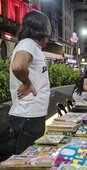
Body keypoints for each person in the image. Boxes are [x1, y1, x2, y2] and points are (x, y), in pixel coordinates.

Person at [9, 11, 52, 154]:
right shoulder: (27, 43)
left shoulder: (32, 46)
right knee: (25, 164)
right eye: (48, 27)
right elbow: (18, 66)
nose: (50, 33)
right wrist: (27, 83)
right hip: (28, 118)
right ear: (39, 27)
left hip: (32, 117)